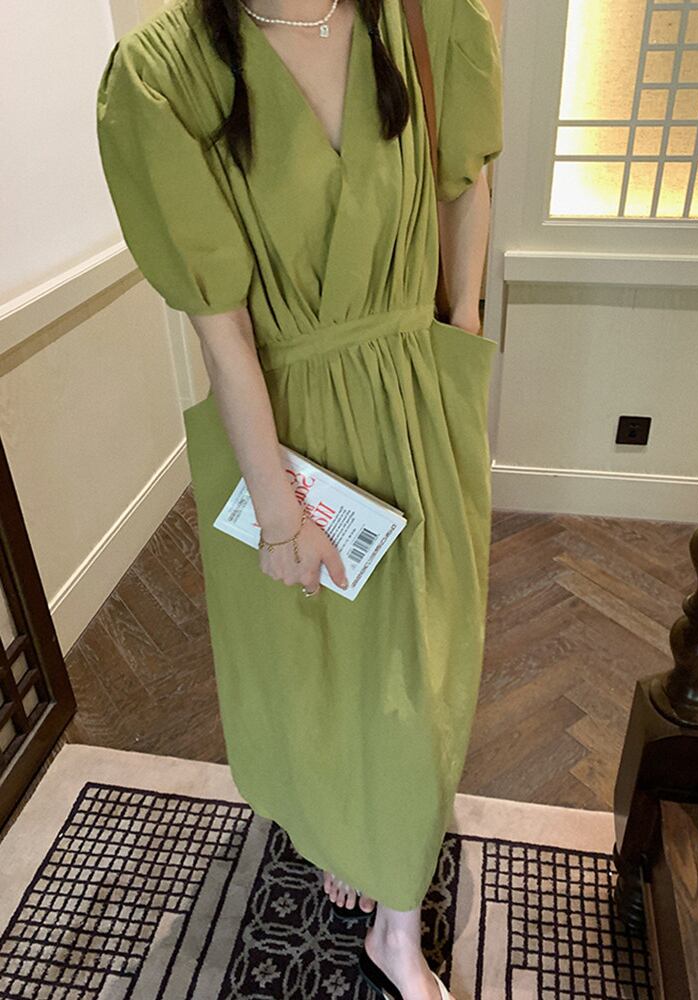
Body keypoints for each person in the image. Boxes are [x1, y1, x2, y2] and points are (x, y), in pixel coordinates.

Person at [96, 0, 502, 995]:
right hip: (287, 428)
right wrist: (279, 512)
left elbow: (467, 183)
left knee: (424, 676)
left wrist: (459, 337)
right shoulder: (165, 74)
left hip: (416, 406)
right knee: (324, 678)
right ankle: (346, 829)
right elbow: (222, 328)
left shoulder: (424, 16)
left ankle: (396, 931)